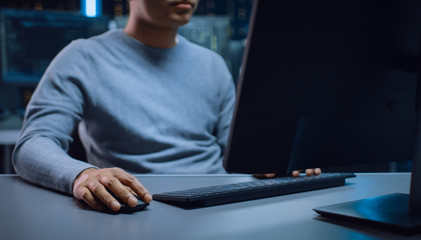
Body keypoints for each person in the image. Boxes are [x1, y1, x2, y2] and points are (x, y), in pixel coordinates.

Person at [13, 0, 320, 212]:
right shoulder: (82, 57)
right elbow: (32, 144)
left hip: (222, 200)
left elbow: (237, 150)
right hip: (142, 205)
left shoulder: (212, 64)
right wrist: (81, 175)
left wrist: (273, 160)